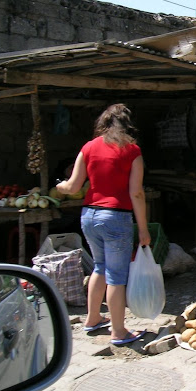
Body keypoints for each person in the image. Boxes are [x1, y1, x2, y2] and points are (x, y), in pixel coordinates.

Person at [55, 104, 151, 346]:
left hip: (89, 216)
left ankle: (93, 318)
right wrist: (143, 229)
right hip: (116, 217)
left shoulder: (88, 147)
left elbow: (73, 186)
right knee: (117, 276)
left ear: (104, 124)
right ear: (128, 125)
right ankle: (118, 331)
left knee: (99, 267)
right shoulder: (132, 151)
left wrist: (60, 188)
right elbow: (137, 193)